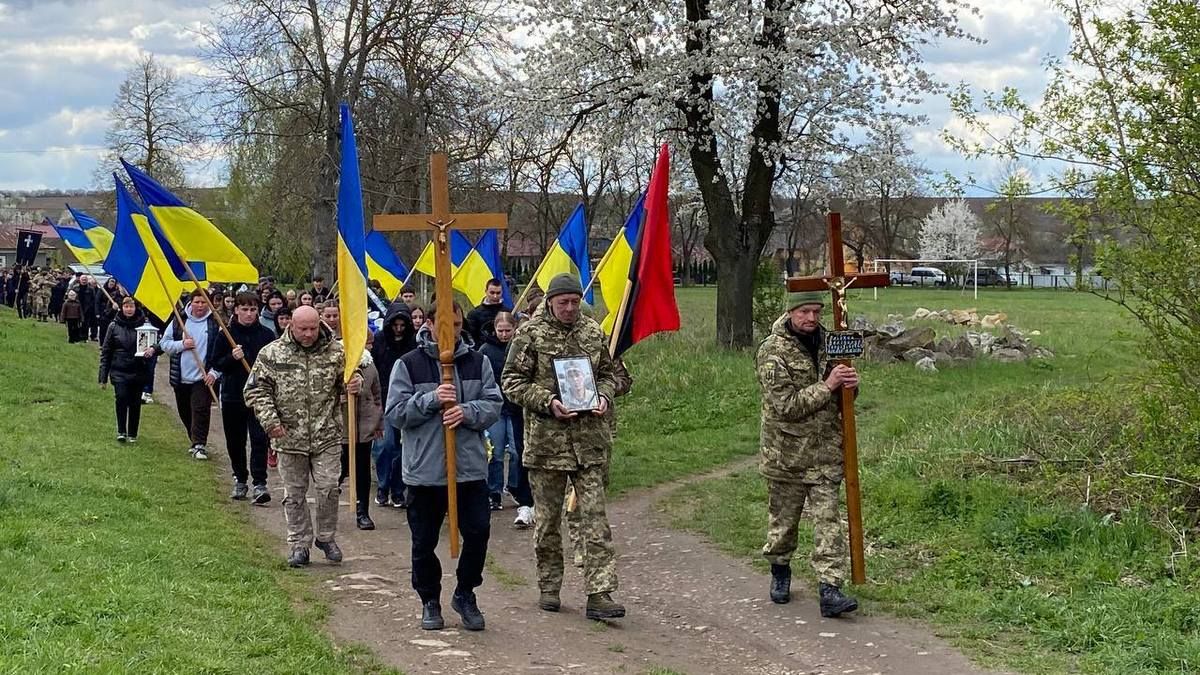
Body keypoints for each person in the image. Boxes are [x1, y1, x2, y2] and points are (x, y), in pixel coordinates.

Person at [500, 273, 625, 620]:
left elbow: (610, 373)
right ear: (551, 302)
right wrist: (548, 400)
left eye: (574, 302)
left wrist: (604, 394)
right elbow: (511, 381)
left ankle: (599, 592)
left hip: (590, 443)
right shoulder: (530, 334)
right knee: (548, 522)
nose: (570, 309)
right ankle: (550, 586)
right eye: (563, 302)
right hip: (547, 444)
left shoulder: (591, 332)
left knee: (595, 519)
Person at [387, 302, 502, 632]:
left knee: (478, 532)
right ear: (431, 324)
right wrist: (432, 399)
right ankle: (429, 599)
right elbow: (396, 413)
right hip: (425, 470)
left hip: (468, 468)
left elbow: (493, 404)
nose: (449, 330)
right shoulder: (409, 364)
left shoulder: (477, 361)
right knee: (423, 542)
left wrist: (466, 411)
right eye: (443, 324)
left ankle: (465, 592)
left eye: (456, 323)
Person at [755, 291, 860, 618]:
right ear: (790, 312)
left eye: (816, 311)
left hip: (825, 453)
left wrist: (850, 386)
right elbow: (785, 406)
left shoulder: (831, 342)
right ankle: (780, 568)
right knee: (784, 525)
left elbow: (843, 394)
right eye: (804, 312)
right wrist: (828, 386)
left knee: (828, 520)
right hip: (786, 455)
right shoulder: (773, 351)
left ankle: (830, 588)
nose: (811, 318)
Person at [244, 306, 363, 568]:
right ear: (292, 327)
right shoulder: (272, 353)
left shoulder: (336, 352)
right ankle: (299, 544)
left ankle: (326, 537)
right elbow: (255, 390)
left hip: (327, 434)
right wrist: (270, 421)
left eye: (313, 328)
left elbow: (352, 377)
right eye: (303, 329)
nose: (309, 334)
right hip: (288, 436)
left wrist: (355, 383)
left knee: (329, 487)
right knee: (295, 494)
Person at [212, 292, 277, 505]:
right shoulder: (226, 335)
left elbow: (274, 365)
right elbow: (216, 363)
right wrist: (232, 357)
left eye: (252, 309)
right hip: (233, 395)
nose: (249, 314)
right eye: (245, 309)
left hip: (259, 395)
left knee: (259, 438)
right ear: (236, 310)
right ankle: (240, 477)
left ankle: (260, 482)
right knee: (235, 440)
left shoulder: (266, 335)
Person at [479, 312, 533, 523]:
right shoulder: (486, 351)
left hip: (517, 408)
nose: (503, 334)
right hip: (497, 409)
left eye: (507, 331)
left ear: (514, 329)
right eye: (500, 330)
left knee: (518, 450)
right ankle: (494, 491)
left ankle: (517, 488)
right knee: (497, 451)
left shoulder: (520, 348)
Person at [160, 290, 220, 460]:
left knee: (200, 409)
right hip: (181, 376)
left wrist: (214, 373)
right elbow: (164, 344)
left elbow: (221, 351)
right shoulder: (179, 321)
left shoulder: (215, 323)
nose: (200, 306)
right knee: (185, 411)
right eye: (197, 302)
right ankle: (193, 439)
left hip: (203, 377)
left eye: (203, 302)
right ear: (191, 303)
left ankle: (200, 444)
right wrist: (182, 344)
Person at [371, 303, 417, 508]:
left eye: (402, 325)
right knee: (384, 446)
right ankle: (383, 485)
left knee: (401, 447)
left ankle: (398, 489)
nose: (399, 329)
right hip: (383, 399)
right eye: (395, 325)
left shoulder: (413, 343)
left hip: (406, 401)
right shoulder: (380, 341)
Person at [342, 331, 383, 530]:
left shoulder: (369, 366)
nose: (370, 347)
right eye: (367, 343)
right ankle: (328, 509)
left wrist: (378, 422)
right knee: (338, 472)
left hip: (363, 430)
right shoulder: (339, 363)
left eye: (370, 343)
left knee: (363, 472)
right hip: (341, 430)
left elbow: (376, 395)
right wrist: (345, 392)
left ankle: (363, 511)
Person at [99, 297, 155, 442]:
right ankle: (121, 430)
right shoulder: (114, 326)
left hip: (138, 369)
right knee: (121, 398)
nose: (129, 309)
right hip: (119, 369)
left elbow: (156, 347)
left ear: (136, 308)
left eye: (131, 306)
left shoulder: (145, 326)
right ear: (122, 308)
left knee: (135, 402)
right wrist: (103, 377)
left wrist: (152, 351)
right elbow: (106, 351)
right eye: (126, 306)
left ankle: (132, 433)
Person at [465, 279, 510, 346]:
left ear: (502, 292)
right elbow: (471, 338)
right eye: (492, 293)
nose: (495, 296)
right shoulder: (474, 314)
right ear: (486, 291)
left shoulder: (509, 312)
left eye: (498, 293)